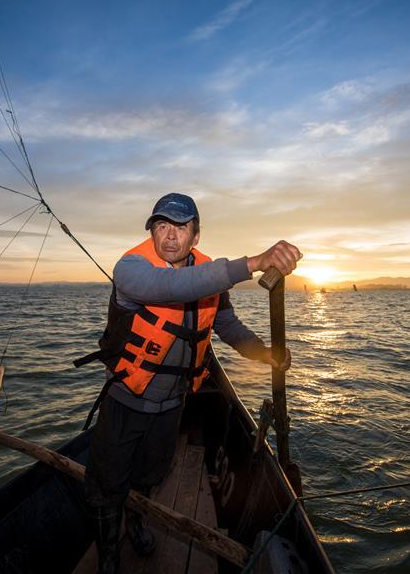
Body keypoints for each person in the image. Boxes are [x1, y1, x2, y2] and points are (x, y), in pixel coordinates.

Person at [76, 192, 301, 573]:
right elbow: (172, 287)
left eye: (180, 227)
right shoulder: (131, 269)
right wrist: (255, 263)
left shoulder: (207, 272)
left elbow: (225, 324)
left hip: (172, 405)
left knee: (149, 475)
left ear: (196, 235)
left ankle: (137, 521)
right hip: (126, 399)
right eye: (161, 226)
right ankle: (109, 556)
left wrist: (263, 353)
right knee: (106, 485)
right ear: (151, 231)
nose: (169, 236)